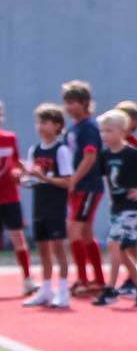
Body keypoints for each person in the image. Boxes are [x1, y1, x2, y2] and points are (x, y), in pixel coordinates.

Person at [91, 110, 137, 307]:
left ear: (122, 131)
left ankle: (113, 288)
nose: (104, 135)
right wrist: (111, 200)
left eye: (109, 131)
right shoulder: (104, 155)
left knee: (115, 244)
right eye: (102, 131)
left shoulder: (131, 153)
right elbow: (107, 180)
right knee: (120, 248)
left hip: (133, 207)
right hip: (118, 207)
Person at [19, 103, 73, 309]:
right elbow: (32, 180)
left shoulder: (61, 150)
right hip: (39, 204)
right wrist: (23, 178)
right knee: (42, 248)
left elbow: (67, 181)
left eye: (45, 122)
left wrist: (43, 177)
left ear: (57, 125)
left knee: (58, 247)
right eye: (38, 122)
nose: (40, 126)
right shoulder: (35, 149)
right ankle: (46, 289)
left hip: (55, 204)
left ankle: (64, 289)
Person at [61, 80, 106, 293]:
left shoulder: (88, 127)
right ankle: (97, 279)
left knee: (74, 230)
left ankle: (83, 279)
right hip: (81, 186)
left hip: (87, 186)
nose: (69, 107)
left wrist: (73, 180)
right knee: (85, 233)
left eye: (73, 102)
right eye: (66, 102)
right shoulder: (74, 127)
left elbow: (89, 156)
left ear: (85, 103)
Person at [0, 100, 34, 296]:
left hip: (10, 197)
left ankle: (28, 280)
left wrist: (24, 173)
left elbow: (16, 163)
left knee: (19, 240)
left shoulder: (10, 138)